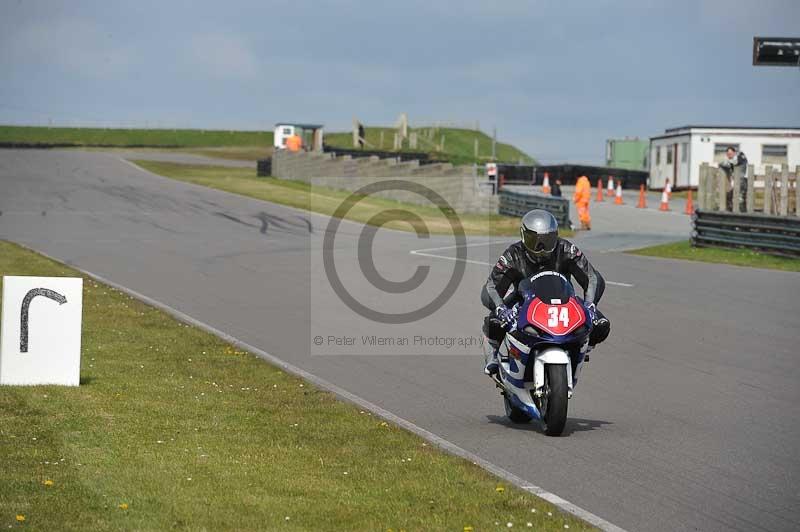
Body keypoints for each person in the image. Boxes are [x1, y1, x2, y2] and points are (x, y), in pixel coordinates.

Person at [482, 210, 611, 375]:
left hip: (563, 300)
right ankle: (494, 358)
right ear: (523, 236)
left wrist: (590, 304)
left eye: (547, 241)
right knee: (492, 323)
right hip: (523, 302)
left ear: (555, 236)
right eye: (534, 241)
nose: (541, 249)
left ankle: (582, 347)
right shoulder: (512, 255)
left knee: (601, 324)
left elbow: (591, 277)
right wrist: (500, 308)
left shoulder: (567, 249)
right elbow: (491, 286)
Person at [719, 146, 748, 211]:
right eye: (728, 154)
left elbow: (736, 162)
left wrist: (726, 163)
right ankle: (731, 211)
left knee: (740, 198)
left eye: (730, 153)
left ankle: (741, 212)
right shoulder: (729, 160)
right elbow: (722, 164)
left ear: (734, 153)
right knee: (729, 196)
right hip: (735, 181)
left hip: (742, 181)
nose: (729, 155)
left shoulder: (740, 156)